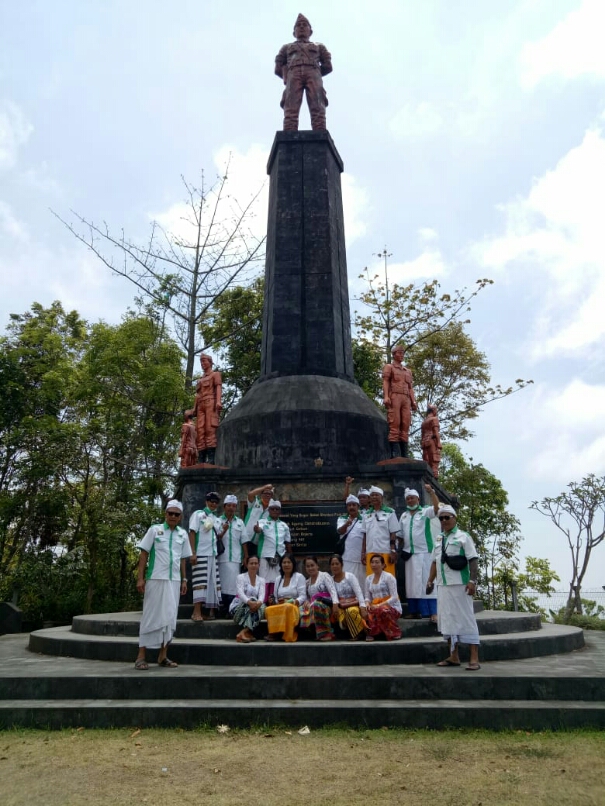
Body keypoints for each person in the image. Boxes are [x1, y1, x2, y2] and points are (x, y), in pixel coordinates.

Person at [134, 500, 191, 670]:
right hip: (156, 578)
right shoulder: (155, 530)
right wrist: (140, 578)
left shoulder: (183, 534)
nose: (173, 516)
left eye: (176, 514)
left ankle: (163, 656)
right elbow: (144, 554)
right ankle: (141, 656)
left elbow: (183, 559)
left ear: (180, 517)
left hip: (174, 581)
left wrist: (184, 580)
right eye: (170, 513)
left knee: (170, 617)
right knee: (150, 616)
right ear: (165, 514)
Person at [426, 505, 481, 670]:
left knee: (466, 619)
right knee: (447, 620)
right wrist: (430, 581)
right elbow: (435, 562)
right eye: (441, 518)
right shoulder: (439, 539)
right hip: (443, 585)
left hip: (460, 584)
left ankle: (474, 658)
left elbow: (473, 559)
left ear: (454, 518)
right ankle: (454, 656)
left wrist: (473, 581)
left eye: (447, 517)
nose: (444, 521)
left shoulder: (463, 537)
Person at [275, 13, 332, 132]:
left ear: (310, 31)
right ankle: (289, 132)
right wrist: (287, 76)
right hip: (293, 74)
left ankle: (319, 131)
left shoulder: (319, 47)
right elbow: (278, 67)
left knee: (317, 104)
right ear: (294, 32)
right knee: (291, 106)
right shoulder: (286, 48)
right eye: (298, 25)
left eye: (304, 25)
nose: (301, 27)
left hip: (313, 73)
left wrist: (316, 73)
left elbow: (328, 66)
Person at [397, 484, 440, 621]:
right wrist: (395, 549)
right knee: (412, 585)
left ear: (418, 499)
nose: (410, 500)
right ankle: (414, 611)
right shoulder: (404, 516)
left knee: (427, 581)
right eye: (408, 498)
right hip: (409, 554)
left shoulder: (425, 511)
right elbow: (400, 535)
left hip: (425, 552)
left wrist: (432, 493)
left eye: (412, 498)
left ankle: (433, 612)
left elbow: (437, 508)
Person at [188, 491, 222, 622]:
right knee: (200, 583)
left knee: (212, 584)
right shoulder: (198, 514)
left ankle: (207, 612)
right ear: (206, 501)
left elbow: (217, 536)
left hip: (213, 555)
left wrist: (224, 529)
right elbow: (192, 532)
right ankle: (196, 612)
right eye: (211, 501)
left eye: (216, 502)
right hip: (200, 553)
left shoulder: (216, 518)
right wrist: (193, 553)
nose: (213, 504)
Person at [382, 344, 418, 459]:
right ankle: (395, 453)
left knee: (405, 424)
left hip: (406, 398)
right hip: (395, 396)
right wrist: (386, 396)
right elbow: (386, 381)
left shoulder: (407, 371)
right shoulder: (389, 367)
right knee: (395, 422)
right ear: (394, 354)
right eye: (399, 353)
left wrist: (413, 401)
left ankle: (404, 454)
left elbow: (410, 388)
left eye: (403, 353)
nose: (402, 355)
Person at [252, 499, 292, 600]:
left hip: (280, 556)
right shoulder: (262, 522)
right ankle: (263, 602)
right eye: (272, 509)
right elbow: (258, 529)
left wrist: (290, 557)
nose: (274, 511)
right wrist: (256, 529)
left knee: (278, 580)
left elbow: (288, 542)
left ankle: (275, 601)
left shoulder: (284, 525)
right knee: (263, 581)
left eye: (277, 509)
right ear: (269, 510)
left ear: (280, 511)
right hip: (265, 556)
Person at [217, 494, 248, 616]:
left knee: (233, 585)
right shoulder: (217, 521)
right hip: (221, 558)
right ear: (224, 507)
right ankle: (221, 609)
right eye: (229, 505)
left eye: (234, 506)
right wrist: (223, 530)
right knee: (222, 584)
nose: (231, 508)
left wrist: (246, 556)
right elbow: (214, 539)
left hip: (235, 558)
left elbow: (244, 541)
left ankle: (231, 610)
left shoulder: (240, 522)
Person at [264, 553, 306, 642]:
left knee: (287, 606)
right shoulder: (278, 579)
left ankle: (281, 633)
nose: (286, 565)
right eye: (284, 562)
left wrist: (292, 601)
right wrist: (274, 601)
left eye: (289, 562)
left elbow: (303, 596)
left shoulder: (299, 577)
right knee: (268, 609)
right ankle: (275, 632)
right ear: (281, 565)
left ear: (293, 564)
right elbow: (276, 597)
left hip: (294, 606)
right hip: (281, 605)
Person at [361, 486, 399, 576]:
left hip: (385, 552)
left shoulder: (390, 512)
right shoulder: (366, 514)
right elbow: (365, 535)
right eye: (372, 495)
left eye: (376, 495)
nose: (374, 497)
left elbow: (393, 533)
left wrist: (393, 550)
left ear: (382, 497)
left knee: (387, 579)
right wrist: (363, 552)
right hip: (370, 552)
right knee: (372, 579)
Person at [299, 556, 340, 641]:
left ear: (317, 565)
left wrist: (335, 604)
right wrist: (307, 602)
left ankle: (327, 633)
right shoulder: (307, 582)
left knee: (317, 605)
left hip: (327, 605)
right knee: (300, 609)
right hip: (314, 604)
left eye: (312, 565)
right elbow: (308, 598)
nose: (310, 568)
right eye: (308, 566)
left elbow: (332, 590)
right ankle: (311, 632)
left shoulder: (324, 576)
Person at [364, 554, 402, 642]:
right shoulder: (368, 579)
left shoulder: (389, 577)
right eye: (372, 562)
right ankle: (371, 633)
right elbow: (367, 597)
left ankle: (395, 632)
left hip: (391, 607)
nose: (374, 565)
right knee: (365, 611)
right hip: (374, 605)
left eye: (377, 562)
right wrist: (367, 604)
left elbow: (394, 597)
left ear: (383, 565)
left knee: (382, 610)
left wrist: (379, 605)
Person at [329, 554, 367, 641]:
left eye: (337, 564)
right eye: (332, 564)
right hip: (340, 605)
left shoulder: (350, 576)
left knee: (351, 611)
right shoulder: (330, 580)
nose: (335, 566)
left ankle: (359, 633)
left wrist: (362, 607)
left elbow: (359, 593)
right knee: (336, 613)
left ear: (342, 565)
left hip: (354, 603)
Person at [192, 353, 222, 464]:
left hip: (211, 403)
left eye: (204, 361)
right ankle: (201, 458)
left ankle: (211, 458)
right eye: (201, 362)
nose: (202, 364)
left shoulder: (215, 375)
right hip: (200, 405)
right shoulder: (200, 380)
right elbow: (198, 395)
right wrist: (194, 408)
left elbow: (218, 388)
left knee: (210, 429)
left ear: (210, 362)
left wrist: (218, 401)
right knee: (200, 430)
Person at [230, 556, 266, 643]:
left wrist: (258, 603)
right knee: (252, 604)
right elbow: (240, 593)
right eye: (251, 563)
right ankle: (248, 633)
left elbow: (262, 595)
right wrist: (250, 602)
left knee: (262, 607)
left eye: (256, 563)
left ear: (259, 565)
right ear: (247, 565)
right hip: (239, 606)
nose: (253, 565)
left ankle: (243, 632)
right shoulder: (240, 577)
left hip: (254, 607)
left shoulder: (261, 580)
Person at [336, 494, 366, 590]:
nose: (351, 507)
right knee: (347, 584)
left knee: (362, 585)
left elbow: (366, 536)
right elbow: (340, 531)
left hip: (361, 558)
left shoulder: (365, 519)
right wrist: (346, 524)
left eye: (354, 505)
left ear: (358, 506)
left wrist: (364, 553)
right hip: (347, 558)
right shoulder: (342, 518)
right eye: (349, 505)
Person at [244, 483, 275, 549]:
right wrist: (265, 487)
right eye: (265, 493)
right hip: (246, 539)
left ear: (271, 496)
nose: (267, 495)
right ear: (261, 494)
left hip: (260, 543)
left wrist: (259, 530)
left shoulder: (272, 509)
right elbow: (250, 494)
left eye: (269, 494)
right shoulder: (255, 502)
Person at [421, 404, 442, 477]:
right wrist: (438, 442)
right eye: (436, 410)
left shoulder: (424, 422)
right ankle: (434, 477)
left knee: (427, 461)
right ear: (433, 410)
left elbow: (422, 435)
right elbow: (435, 431)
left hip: (424, 442)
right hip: (432, 440)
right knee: (434, 460)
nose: (436, 412)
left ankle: (427, 477)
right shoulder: (434, 419)